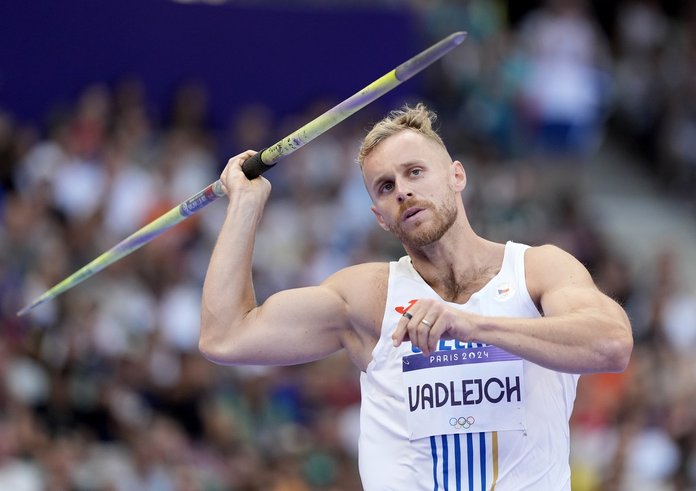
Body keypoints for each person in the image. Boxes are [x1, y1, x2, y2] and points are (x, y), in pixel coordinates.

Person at [199, 103, 633, 490]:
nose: (402, 190)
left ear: (456, 175)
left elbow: (611, 345)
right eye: (385, 187)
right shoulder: (370, 296)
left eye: (415, 172)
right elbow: (225, 337)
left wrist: (472, 324)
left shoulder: (537, 270)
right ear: (380, 218)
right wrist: (245, 205)